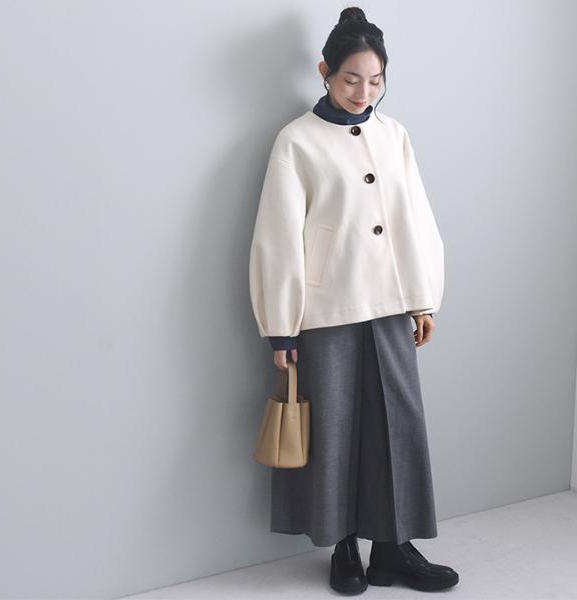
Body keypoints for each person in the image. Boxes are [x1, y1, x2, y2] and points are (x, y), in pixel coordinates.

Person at [248, 6, 459, 595]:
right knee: (334, 428)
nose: (363, 93)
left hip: (390, 303)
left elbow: (414, 218)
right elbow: (277, 238)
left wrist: (423, 298)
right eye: (350, 79)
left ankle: (392, 549)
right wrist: (282, 326)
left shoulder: (394, 135)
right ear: (325, 71)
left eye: (375, 81)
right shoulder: (296, 141)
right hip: (326, 310)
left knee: (398, 424)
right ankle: (342, 549)